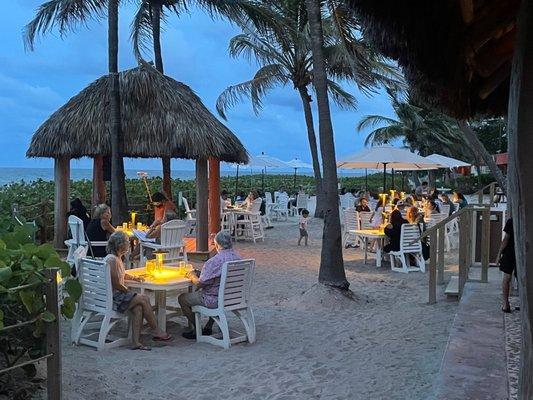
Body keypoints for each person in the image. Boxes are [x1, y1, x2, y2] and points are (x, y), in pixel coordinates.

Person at [105, 231, 171, 350]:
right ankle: (156, 329)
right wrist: (128, 292)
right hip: (115, 299)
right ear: (120, 245)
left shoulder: (117, 258)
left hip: (116, 296)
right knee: (144, 298)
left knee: (138, 307)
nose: (129, 244)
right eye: (127, 242)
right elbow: (116, 283)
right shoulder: (112, 260)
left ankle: (135, 342)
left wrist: (134, 278)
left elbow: (121, 275)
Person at [178, 231, 241, 339]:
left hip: (215, 300)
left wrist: (192, 275)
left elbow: (200, 284)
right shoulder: (239, 258)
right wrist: (201, 273)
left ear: (216, 245)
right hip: (233, 297)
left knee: (182, 298)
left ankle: (196, 329)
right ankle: (209, 326)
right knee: (217, 289)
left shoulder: (214, 261)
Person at [496, 218, 517, 313]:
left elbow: (506, 239)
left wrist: (499, 254)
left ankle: (505, 303)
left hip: (510, 251)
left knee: (507, 277)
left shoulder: (512, 221)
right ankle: (506, 303)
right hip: (520, 252)